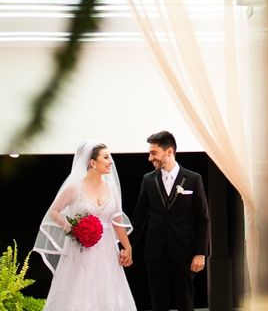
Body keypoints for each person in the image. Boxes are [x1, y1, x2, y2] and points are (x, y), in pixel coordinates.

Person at [34, 140, 137, 310]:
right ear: (92, 162)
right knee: (80, 293)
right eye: (106, 157)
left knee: (108, 292)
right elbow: (54, 212)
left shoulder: (111, 190)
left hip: (107, 253)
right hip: (81, 251)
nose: (110, 161)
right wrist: (73, 229)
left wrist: (127, 246)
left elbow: (116, 220)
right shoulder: (75, 188)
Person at [131, 130, 210, 311]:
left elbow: (202, 219)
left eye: (153, 153)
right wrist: (127, 247)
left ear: (169, 152)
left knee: (185, 302)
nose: (150, 158)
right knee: (159, 304)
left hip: (184, 252)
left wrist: (200, 253)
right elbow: (139, 217)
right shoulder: (148, 180)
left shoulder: (193, 179)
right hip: (155, 253)